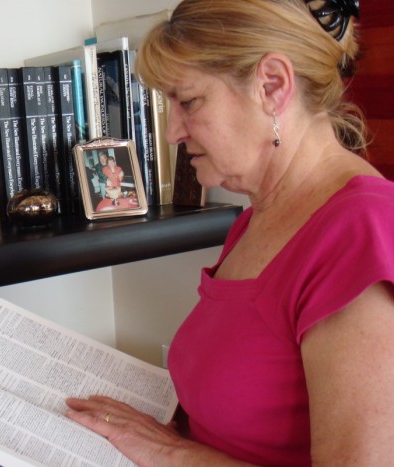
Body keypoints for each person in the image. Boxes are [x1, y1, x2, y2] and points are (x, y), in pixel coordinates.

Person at [66, 0, 394, 465]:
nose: (173, 132)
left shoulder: (363, 231)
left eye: (188, 101)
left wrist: (173, 454)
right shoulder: (255, 219)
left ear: (272, 86)